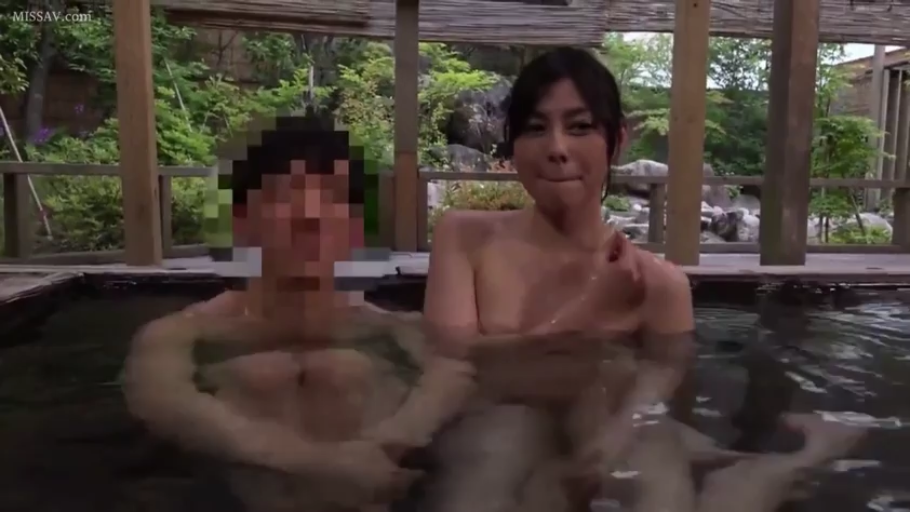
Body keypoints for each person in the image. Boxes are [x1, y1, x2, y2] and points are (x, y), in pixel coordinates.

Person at [417, 47, 865, 512]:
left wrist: (607, 446)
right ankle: (767, 462)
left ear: (617, 140)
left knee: (656, 488)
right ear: (512, 144)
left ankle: (790, 460)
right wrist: (591, 307)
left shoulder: (659, 285)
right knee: (487, 461)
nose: (557, 148)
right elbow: (449, 368)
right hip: (501, 421)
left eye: (580, 126)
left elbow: (663, 400)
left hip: (607, 422)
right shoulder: (465, 238)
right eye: (534, 127)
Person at [123, 110, 474, 512]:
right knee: (259, 375)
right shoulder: (179, 335)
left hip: (374, 489)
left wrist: (387, 442)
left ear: (356, 227)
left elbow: (453, 380)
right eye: (284, 195)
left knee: (347, 370)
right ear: (241, 219)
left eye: (334, 197)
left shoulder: (399, 331)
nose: (310, 214)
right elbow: (165, 404)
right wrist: (318, 462)